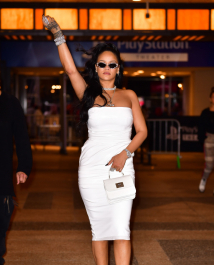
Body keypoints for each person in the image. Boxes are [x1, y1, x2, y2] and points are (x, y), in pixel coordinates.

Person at [42, 15, 147, 265]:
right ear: (96, 68)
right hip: (91, 169)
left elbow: (141, 131)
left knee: (121, 229)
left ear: (118, 68)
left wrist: (126, 153)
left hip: (122, 169)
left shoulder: (129, 95)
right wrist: (58, 34)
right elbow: (69, 69)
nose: (107, 69)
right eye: (102, 64)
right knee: (99, 229)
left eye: (112, 65)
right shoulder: (87, 93)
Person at [0, 87, 32, 265]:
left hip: (2, 175)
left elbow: (21, 137)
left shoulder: (10, 103)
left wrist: (23, 167)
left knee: (0, 223)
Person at [198, 87, 214, 193]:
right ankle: (204, 179)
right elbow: (201, 127)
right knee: (209, 164)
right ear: (210, 99)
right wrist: (202, 139)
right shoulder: (205, 112)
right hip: (209, 139)